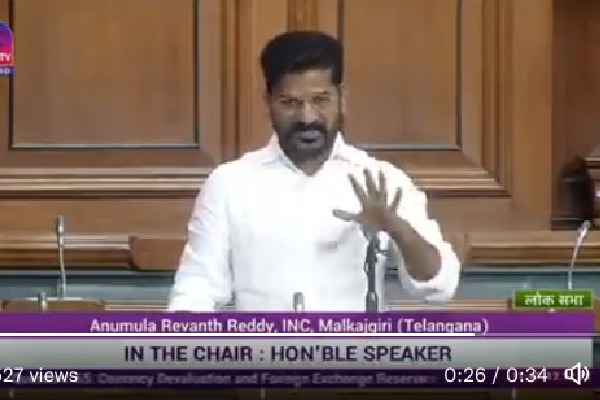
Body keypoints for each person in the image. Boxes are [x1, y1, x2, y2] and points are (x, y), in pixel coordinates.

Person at [168, 30, 460, 312]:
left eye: (320, 100)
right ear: (268, 102)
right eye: (290, 103)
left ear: (341, 98)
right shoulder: (229, 184)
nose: (307, 117)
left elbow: (439, 286)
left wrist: (399, 229)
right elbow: (197, 289)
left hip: (357, 346)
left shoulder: (380, 180)